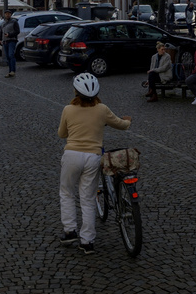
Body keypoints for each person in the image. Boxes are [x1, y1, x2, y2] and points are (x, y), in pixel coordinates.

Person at [57, 72, 131, 254]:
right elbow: (121, 124)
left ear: (75, 91)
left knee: (67, 192)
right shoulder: (102, 109)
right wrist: (127, 121)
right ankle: (87, 241)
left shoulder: (68, 109)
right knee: (88, 199)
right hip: (93, 157)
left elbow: (62, 134)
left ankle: (70, 231)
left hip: (72, 155)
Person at [0, 10, 21, 77]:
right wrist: (0, 39)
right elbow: (1, 32)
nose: (7, 15)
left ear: (11, 14)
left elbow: (17, 31)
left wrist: (10, 34)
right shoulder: (3, 23)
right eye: (6, 14)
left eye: (9, 14)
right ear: (4, 15)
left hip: (12, 40)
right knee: (8, 57)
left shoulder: (14, 22)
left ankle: (13, 71)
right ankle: (10, 72)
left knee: (11, 55)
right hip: (5, 41)